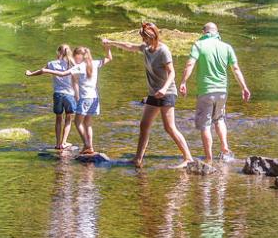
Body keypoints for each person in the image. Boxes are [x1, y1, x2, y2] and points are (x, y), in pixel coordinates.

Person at [102, 22, 193, 168]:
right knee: (144, 125)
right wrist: (112, 43)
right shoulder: (145, 48)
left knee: (169, 127)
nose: (144, 41)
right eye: (143, 38)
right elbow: (130, 46)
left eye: (146, 38)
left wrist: (163, 89)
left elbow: (172, 73)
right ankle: (137, 159)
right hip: (153, 93)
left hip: (167, 93)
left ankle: (188, 158)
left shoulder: (164, 50)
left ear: (153, 37)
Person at [178, 22, 251, 165]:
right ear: (217, 32)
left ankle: (209, 158)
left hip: (206, 91)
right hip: (222, 91)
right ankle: (224, 148)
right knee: (219, 119)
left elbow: (190, 64)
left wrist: (183, 82)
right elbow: (235, 69)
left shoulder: (198, 45)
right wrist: (244, 87)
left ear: (204, 32)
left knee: (205, 125)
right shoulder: (227, 47)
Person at [32, 46, 113, 155]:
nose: (74, 59)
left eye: (75, 57)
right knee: (88, 124)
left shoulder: (79, 67)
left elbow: (62, 74)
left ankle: (87, 145)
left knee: (77, 122)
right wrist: (107, 48)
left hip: (84, 98)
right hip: (94, 98)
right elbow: (109, 58)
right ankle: (90, 146)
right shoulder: (94, 63)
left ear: (79, 56)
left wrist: (46, 70)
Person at [25, 44, 79, 150]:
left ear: (58, 52)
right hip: (69, 95)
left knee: (58, 118)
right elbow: (77, 79)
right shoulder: (72, 64)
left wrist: (30, 74)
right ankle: (64, 143)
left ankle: (58, 144)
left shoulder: (52, 64)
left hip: (58, 94)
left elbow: (41, 71)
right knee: (68, 118)